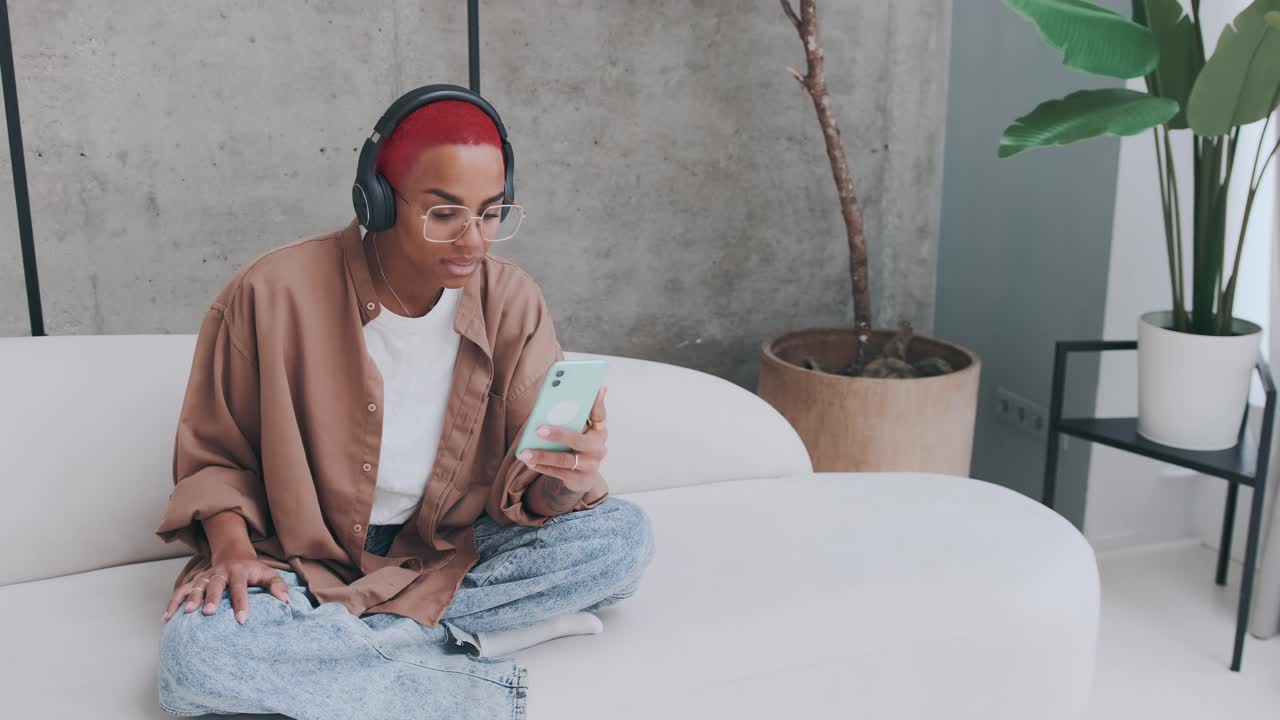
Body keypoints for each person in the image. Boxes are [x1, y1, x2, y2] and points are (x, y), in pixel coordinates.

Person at [153, 87, 655, 720]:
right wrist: (232, 551)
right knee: (200, 657)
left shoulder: (513, 301)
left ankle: (363, 650)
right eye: (444, 214)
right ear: (378, 200)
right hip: (305, 559)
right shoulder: (269, 294)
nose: (474, 239)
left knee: (623, 539)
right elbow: (215, 461)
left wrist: (567, 481)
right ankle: (467, 673)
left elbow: (531, 499)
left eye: (493, 212)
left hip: (449, 548)